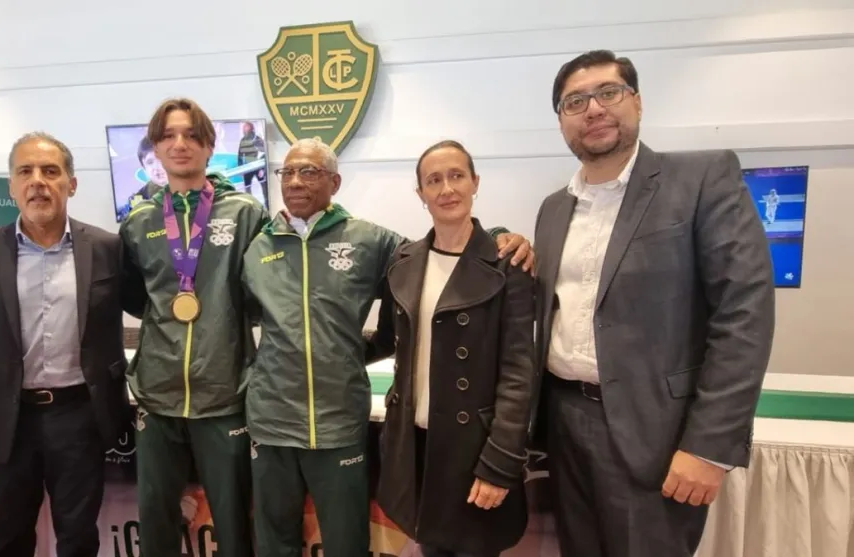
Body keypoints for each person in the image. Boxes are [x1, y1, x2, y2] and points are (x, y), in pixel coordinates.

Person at [531, 50, 775, 557]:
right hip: (564, 423)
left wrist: (709, 446)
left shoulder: (702, 178)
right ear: (561, 121)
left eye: (608, 92)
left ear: (636, 103)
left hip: (658, 436)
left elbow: (744, 313)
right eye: (575, 101)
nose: (593, 108)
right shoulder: (554, 209)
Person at [241, 137, 534, 557]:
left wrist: (503, 237)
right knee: (273, 543)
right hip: (270, 420)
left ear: (335, 182)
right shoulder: (257, 248)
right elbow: (240, 317)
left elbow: (449, 251)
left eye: (309, 171)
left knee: (347, 543)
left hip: (338, 420)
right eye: (287, 172)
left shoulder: (373, 242)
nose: (296, 181)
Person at [0, 132, 129, 557]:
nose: (38, 181)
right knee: (8, 538)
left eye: (50, 171)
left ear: (72, 184)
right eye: (25, 171)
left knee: (79, 537)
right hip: (8, 421)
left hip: (80, 417)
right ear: (11, 185)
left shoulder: (106, 248)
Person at [371, 140, 537, 557]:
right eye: (434, 180)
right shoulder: (404, 261)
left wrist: (500, 463)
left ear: (475, 183)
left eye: (456, 176)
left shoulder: (507, 264)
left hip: (474, 449)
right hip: (417, 446)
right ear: (421, 193)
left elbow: (519, 373)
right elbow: (392, 344)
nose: (446, 188)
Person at [119, 98, 267, 557]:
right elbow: (134, 298)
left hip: (224, 393)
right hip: (157, 393)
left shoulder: (245, 213)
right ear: (157, 150)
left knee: (233, 520)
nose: (179, 144)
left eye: (190, 135)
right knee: (157, 518)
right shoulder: (140, 221)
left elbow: (262, 296)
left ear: (208, 145)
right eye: (168, 136)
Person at [237, 121, 266, 194]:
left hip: (257, 166)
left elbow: (264, 151)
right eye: (243, 128)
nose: (244, 129)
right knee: (247, 187)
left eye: (245, 127)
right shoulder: (243, 140)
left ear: (251, 129)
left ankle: (266, 201)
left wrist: (262, 169)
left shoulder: (257, 138)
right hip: (248, 167)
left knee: (263, 185)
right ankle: (249, 202)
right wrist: (240, 168)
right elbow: (240, 155)